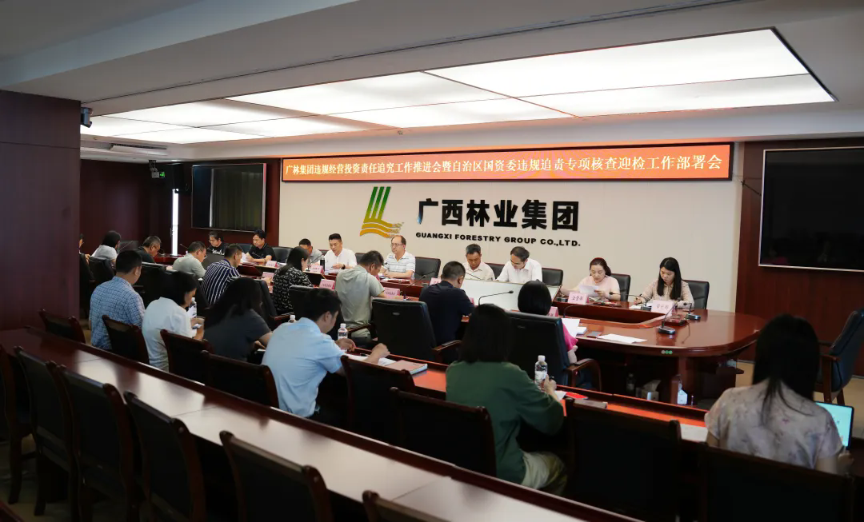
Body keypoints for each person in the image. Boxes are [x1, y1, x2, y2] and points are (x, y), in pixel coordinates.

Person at [705, 315, 849, 474]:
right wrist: (840, 468)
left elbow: (706, 465)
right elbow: (826, 485)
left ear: (761, 357)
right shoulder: (820, 421)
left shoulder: (728, 400)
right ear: (810, 366)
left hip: (728, 490)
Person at [446, 305, 566, 493]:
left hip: (463, 466)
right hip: (504, 472)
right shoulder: (510, 374)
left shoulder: (453, 370)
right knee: (559, 465)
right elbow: (552, 421)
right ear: (504, 338)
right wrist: (550, 390)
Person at [263, 288, 389, 421]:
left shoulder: (282, 329)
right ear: (327, 316)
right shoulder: (320, 341)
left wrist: (334, 345)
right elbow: (355, 372)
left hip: (268, 410)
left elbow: (301, 347)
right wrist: (377, 353)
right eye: (335, 317)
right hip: (295, 419)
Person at [142, 272, 204, 371]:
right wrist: (200, 332)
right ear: (185, 294)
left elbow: (169, 326)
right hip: (166, 369)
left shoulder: (153, 304)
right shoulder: (178, 313)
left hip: (148, 364)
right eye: (192, 295)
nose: (191, 301)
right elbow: (189, 352)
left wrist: (191, 322)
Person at [203, 278, 272, 361]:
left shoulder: (216, 310)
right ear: (255, 298)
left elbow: (229, 336)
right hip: (234, 366)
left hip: (208, 364)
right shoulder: (251, 317)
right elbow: (275, 345)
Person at [88, 251, 145, 350]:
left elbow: (90, 324)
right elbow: (142, 331)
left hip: (96, 349)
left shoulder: (99, 288)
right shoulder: (132, 297)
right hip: (118, 353)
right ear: (137, 270)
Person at [518, 281, 578, 364]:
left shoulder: (512, 320)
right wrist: (570, 350)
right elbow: (572, 361)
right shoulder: (555, 324)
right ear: (547, 302)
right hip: (548, 371)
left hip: (519, 369)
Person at [335, 251, 387, 342]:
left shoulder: (340, 275)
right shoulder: (368, 278)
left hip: (340, 332)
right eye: (378, 271)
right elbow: (387, 301)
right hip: (360, 333)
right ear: (372, 266)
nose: (377, 274)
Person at [419, 261, 474, 344]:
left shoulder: (425, 290)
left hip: (423, 344)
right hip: (446, 347)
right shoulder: (457, 294)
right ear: (460, 279)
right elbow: (475, 315)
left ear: (441, 277)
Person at [273, 247, 313, 315]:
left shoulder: (278, 271)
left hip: (277, 310)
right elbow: (312, 293)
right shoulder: (299, 274)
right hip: (292, 312)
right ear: (302, 260)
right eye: (307, 262)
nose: (306, 265)